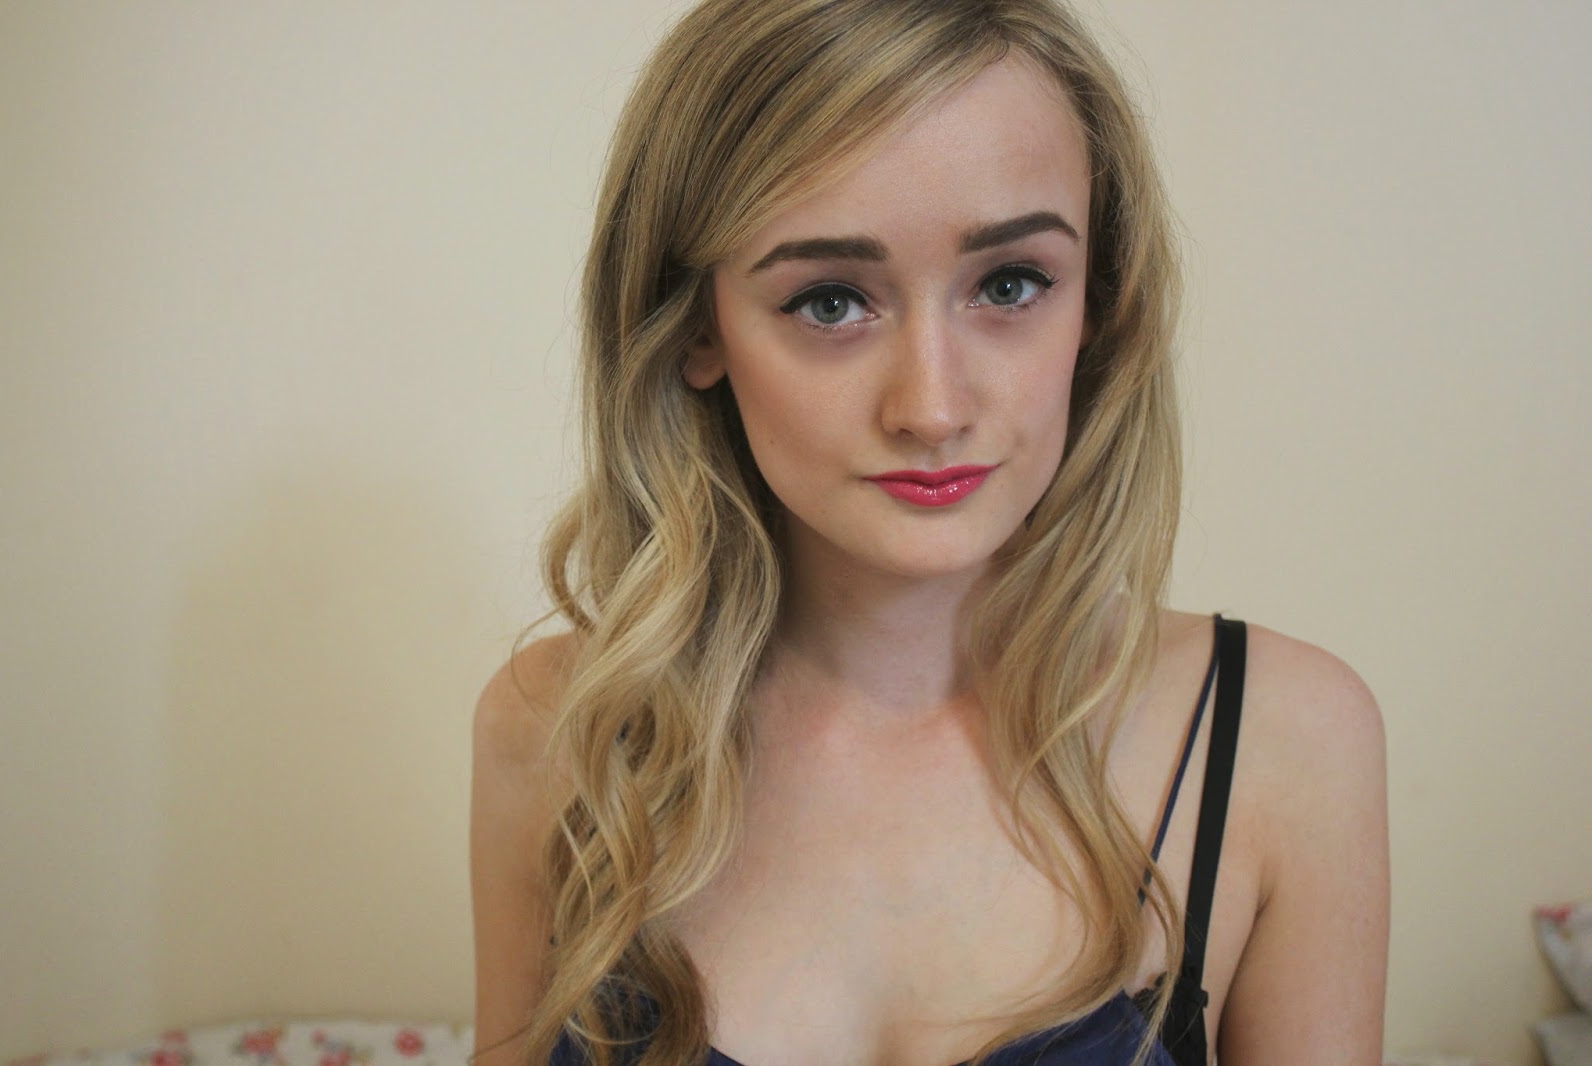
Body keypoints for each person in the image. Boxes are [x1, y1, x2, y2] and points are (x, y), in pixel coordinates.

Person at [469, 0, 1390, 1063]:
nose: (933, 407)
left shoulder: (1282, 741)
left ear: (1099, 302)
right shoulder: (560, 735)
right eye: (829, 302)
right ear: (695, 328)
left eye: (1009, 284)